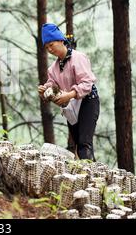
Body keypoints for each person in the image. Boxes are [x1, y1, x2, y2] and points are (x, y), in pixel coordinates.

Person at [38, 23, 99, 161]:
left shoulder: (78, 58)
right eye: (46, 47)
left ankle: (92, 178)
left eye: (51, 44)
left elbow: (87, 82)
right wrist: (45, 90)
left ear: (61, 40)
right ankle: (92, 174)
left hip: (88, 101)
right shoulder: (52, 68)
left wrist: (70, 94)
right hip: (71, 107)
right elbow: (52, 85)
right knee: (79, 143)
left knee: (84, 143)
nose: (49, 49)